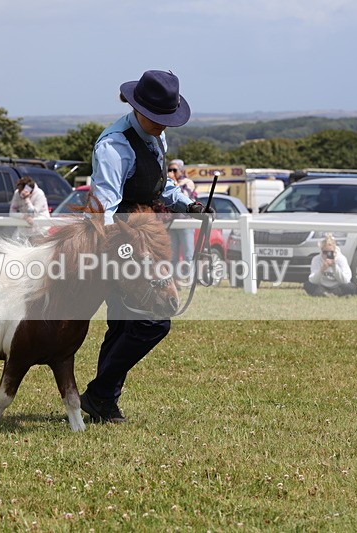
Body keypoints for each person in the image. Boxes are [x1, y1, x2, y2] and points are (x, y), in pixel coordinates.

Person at [79, 69, 210, 424]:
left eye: (167, 119)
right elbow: (103, 207)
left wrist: (188, 205)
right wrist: (118, 256)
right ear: (137, 108)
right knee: (155, 321)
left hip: (143, 239)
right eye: (157, 119)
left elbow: (160, 186)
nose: (163, 126)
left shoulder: (155, 138)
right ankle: (100, 395)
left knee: (123, 326)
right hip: (120, 243)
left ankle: (103, 399)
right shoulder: (114, 146)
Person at [167, 159, 197, 285]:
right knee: (172, 254)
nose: (171, 172)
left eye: (174, 170)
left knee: (188, 253)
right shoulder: (168, 184)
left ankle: (190, 279)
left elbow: (184, 196)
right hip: (171, 222)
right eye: (169, 170)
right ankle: (175, 279)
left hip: (185, 222)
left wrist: (173, 183)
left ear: (181, 170)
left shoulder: (188, 182)